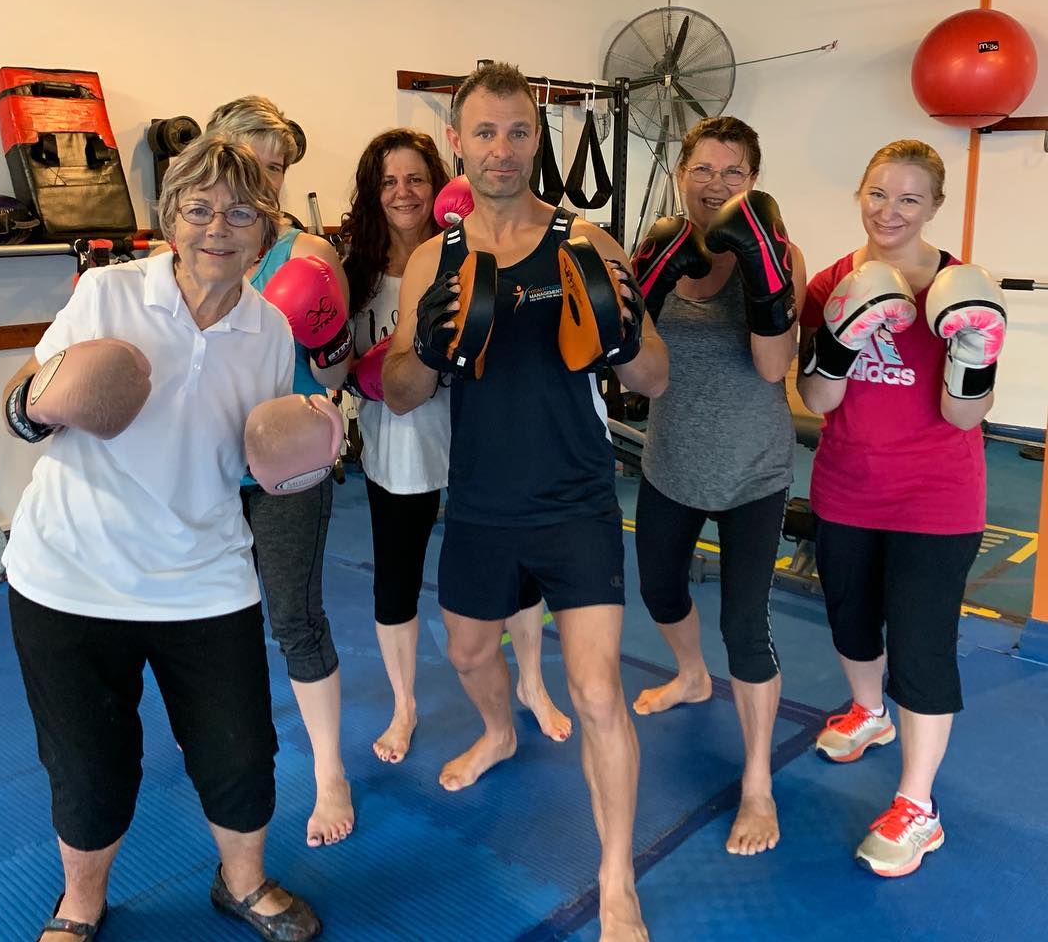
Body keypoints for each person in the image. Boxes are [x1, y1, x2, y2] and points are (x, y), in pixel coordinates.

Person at [3, 136, 323, 941]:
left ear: (265, 229)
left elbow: (251, 462)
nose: (219, 225)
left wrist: (298, 455)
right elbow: (26, 395)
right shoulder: (107, 294)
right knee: (89, 764)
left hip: (204, 573)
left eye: (242, 211)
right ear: (170, 220)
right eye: (199, 206)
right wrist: (40, 399)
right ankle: (80, 903)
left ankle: (242, 884)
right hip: (72, 571)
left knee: (242, 752)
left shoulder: (272, 331)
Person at [383, 63, 668, 942]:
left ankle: (616, 878)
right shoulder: (438, 256)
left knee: (593, 693)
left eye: (517, 132)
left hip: (577, 497)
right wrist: (429, 346)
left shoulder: (590, 241)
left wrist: (619, 333)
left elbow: (655, 376)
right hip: (478, 501)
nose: (501, 148)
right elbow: (397, 389)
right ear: (457, 143)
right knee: (469, 654)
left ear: (535, 139)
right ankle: (501, 731)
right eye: (484, 132)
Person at [797, 139, 1006, 877]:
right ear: (861, 192)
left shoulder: (962, 288)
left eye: (910, 199)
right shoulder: (830, 283)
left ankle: (918, 806)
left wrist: (973, 351)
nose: (890, 211)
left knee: (919, 648)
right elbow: (815, 398)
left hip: (937, 501)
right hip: (848, 486)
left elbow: (961, 418)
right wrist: (840, 344)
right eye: (879, 193)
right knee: (850, 620)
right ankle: (868, 713)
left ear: (934, 209)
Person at [340, 127, 572, 764]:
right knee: (398, 572)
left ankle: (531, 681)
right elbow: (335, 359)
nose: (404, 192)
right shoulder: (353, 271)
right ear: (372, 191)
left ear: (440, 183)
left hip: (479, 431)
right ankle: (404, 705)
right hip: (402, 435)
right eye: (388, 181)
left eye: (416, 178)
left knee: (513, 568)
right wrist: (361, 368)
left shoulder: (474, 248)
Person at [628, 116, 807, 858]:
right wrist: (638, 291)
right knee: (660, 592)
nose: (717, 185)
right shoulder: (656, 247)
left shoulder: (781, 252)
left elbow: (774, 371)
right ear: (681, 173)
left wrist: (766, 282)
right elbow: (625, 366)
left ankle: (758, 782)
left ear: (753, 183)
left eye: (734, 173)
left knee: (746, 624)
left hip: (754, 469)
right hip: (671, 461)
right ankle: (692, 677)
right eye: (704, 169)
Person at [206, 96, 354, 847]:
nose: (266, 180)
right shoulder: (189, 249)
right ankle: (221, 736)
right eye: (252, 162)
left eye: (278, 167)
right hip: (202, 464)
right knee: (206, 616)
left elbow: (337, 371)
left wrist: (325, 328)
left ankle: (329, 772)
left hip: (288, 464)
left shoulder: (307, 256)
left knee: (292, 613)